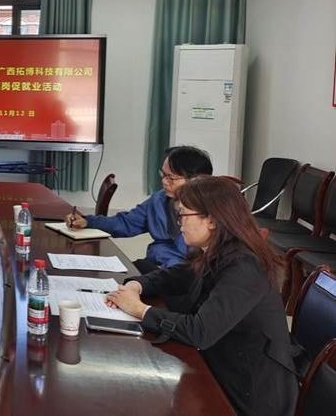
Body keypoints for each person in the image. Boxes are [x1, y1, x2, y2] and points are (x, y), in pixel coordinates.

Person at [106, 176, 299, 416]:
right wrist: (137, 285)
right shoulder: (219, 250)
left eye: (183, 215)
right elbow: (176, 275)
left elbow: (200, 332)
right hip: (220, 366)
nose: (179, 224)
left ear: (212, 220)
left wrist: (139, 309)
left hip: (250, 394)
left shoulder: (244, 267)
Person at [65, 145, 213, 273]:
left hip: (183, 275)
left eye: (171, 178)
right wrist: (88, 221)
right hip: (156, 266)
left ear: (196, 180)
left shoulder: (211, 212)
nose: (164, 181)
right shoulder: (159, 200)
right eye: (162, 174)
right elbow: (126, 223)